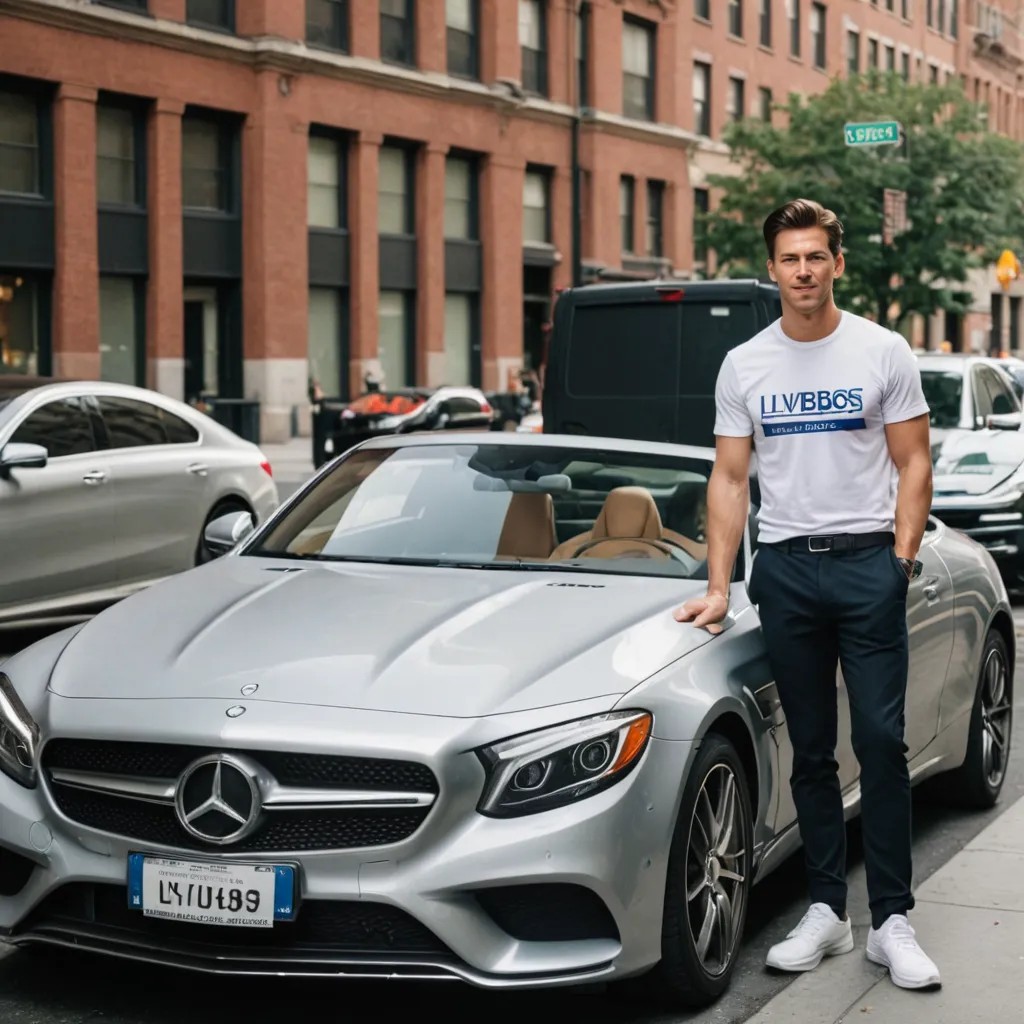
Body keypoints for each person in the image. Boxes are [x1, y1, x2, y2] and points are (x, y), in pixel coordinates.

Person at [675, 198, 939, 990]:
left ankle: (892, 920)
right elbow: (728, 479)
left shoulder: (881, 350)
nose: (803, 271)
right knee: (812, 752)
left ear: (837, 263)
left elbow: (914, 462)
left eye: (816, 257)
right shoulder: (745, 363)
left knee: (884, 744)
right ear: (773, 268)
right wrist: (720, 587)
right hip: (786, 571)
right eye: (789, 259)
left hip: (866, 567)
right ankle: (829, 909)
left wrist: (896, 560)